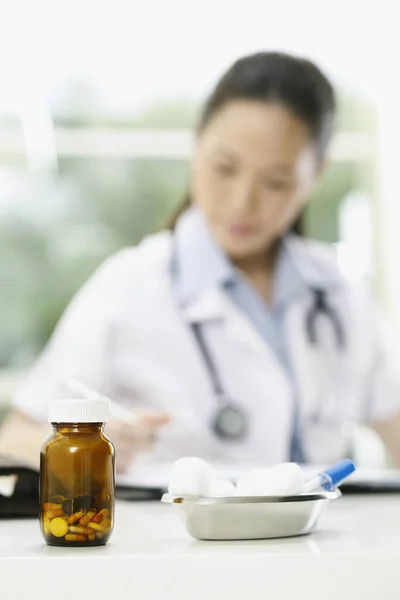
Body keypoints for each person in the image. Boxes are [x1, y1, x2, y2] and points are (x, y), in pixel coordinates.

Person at [1, 51, 400, 474]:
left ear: (316, 173)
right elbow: (15, 440)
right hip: (177, 539)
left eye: (276, 182)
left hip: (318, 538)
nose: (242, 201)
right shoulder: (130, 285)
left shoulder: (336, 291)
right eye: (225, 168)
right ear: (196, 146)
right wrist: (92, 444)